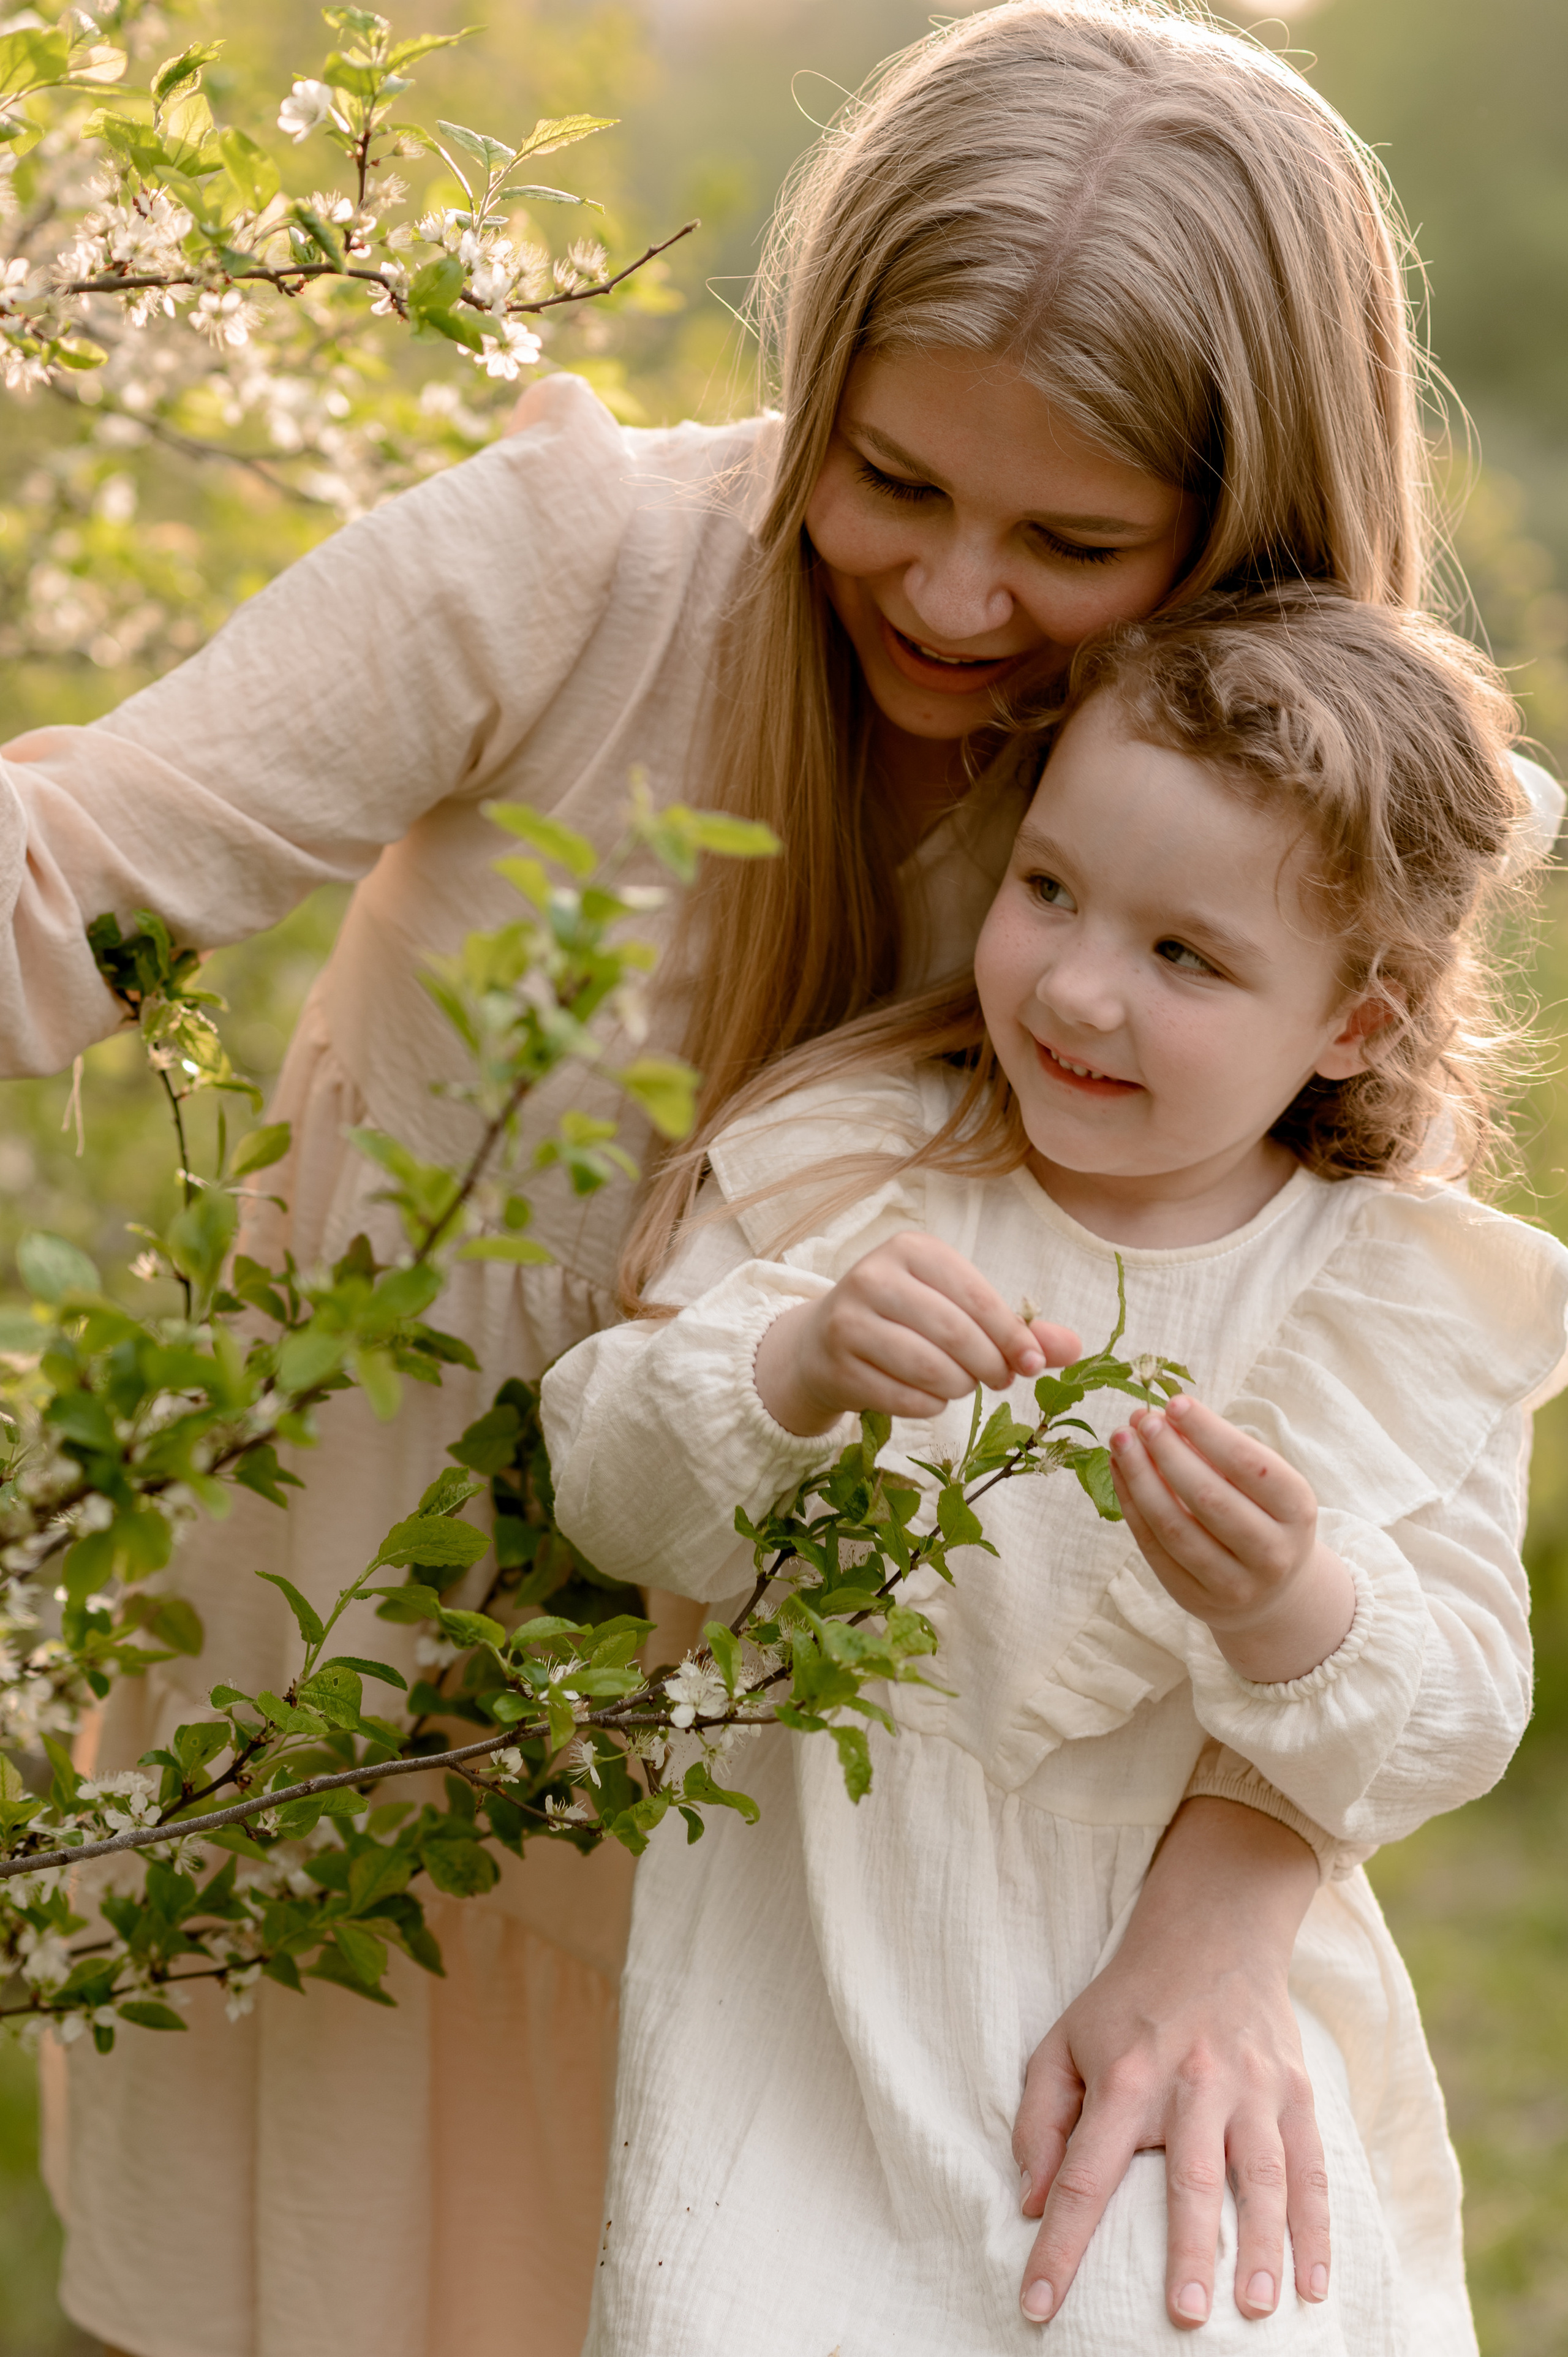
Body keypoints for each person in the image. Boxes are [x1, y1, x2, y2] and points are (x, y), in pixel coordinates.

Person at [1, 3, 1556, 2351]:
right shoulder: (570, 577)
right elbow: (71, 880)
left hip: (859, 1922)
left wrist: (1238, 1885)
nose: (945, 597)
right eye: (890, 479)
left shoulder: (1285, 840)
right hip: (354, 1767)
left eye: (1071, 538)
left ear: (1244, 525)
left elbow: (1366, 1413)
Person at [541, 587, 1568, 2355]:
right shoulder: (858, 1175)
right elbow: (610, 1486)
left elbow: (1458, 1712)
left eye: (1187, 957)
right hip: (816, 2007)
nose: (1081, 986)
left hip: (1188, 2058)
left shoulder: (1391, 1293)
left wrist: (1293, 1607)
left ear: (1356, 1027)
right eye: (1050, 891)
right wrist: (790, 1373)